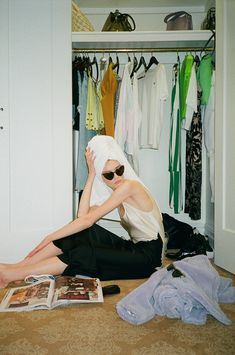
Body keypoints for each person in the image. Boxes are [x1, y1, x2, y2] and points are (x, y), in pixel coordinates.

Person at [0, 136, 166, 288]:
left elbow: (86, 220)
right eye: (108, 175)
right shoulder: (115, 191)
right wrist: (92, 173)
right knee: (83, 233)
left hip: (149, 258)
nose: (116, 177)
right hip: (135, 248)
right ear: (102, 177)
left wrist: (50, 237)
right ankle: (19, 267)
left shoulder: (130, 186)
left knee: (83, 253)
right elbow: (82, 216)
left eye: (119, 170)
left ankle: (14, 273)